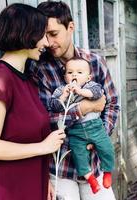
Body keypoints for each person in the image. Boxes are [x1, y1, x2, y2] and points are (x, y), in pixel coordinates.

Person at [28, 1, 120, 200]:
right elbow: (45, 120)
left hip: (93, 162)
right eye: (44, 36)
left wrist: (99, 135)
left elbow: (112, 104)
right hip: (60, 169)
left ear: (70, 27)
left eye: (53, 34)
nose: (49, 42)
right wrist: (83, 108)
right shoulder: (39, 71)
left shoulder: (95, 62)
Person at [0, 4, 66, 200]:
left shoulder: (28, 79)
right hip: (6, 189)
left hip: (30, 184)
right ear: (28, 34)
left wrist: (44, 180)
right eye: (43, 35)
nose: (48, 42)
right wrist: (44, 146)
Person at [49, 58, 115, 194]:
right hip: (75, 132)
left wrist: (79, 91)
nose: (74, 75)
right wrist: (63, 96)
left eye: (79, 72)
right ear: (65, 76)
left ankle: (107, 171)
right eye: (70, 72)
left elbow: (96, 94)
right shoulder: (60, 90)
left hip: (95, 127)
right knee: (79, 156)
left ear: (88, 77)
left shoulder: (90, 86)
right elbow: (53, 106)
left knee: (106, 148)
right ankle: (91, 179)